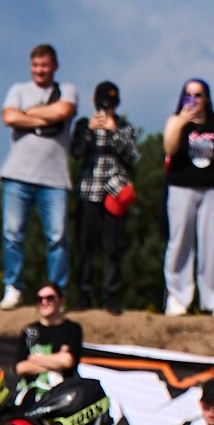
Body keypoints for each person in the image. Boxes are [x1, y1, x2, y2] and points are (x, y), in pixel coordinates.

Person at [0, 44, 78, 311]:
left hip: (55, 178)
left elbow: (62, 112)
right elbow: (9, 117)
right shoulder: (18, 90)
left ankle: (56, 292)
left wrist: (28, 114)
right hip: (17, 174)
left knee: (57, 237)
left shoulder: (66, 90)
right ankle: (13, 286)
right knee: (12, 234)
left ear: (55, 66)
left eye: (44, 65)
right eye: (35, 65)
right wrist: (43, 116)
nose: (40, 70)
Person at [161, 78, 214, 318]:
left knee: (212, 243)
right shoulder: (175, 121)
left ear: (207, 98)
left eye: (198, 95)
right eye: (188, 95)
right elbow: (169, 149)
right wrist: (182, 121)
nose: (194, 100)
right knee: (180, 241)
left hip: (213, 188)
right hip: (182, 187)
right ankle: (178, 297)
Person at [70, 82, 142, 314]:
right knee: (85, 245)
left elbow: (132, 156)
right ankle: (84, 293)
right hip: (88, 190)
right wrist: (90, 130)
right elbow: (76, 152)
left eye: (110, 104)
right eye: (103, 104)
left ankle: (112, 295)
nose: (106, 109)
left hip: (114, 192)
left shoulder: (124, 127)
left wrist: (114, 132)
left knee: (113, 246)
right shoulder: (83, 124)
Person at [14, 282, 83, 394]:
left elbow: (68, 361)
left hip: (62, 393)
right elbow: (20, 368)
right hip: (30, 393)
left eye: (50, 298)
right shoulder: (29, 331)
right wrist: (57, 362)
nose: (44, 302)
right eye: (39, 298)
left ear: (61, 300)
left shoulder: (72, 328)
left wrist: (34, 359)